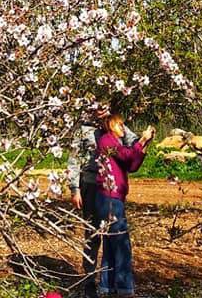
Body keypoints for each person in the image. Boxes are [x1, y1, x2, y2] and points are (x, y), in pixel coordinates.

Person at [67, 105, 138, 298]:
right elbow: (73, 159)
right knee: (92, 232)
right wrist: (74, 188)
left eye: (104, 106)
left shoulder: (114, 126)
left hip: (110, 186)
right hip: (89, 183)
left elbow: (132, 140)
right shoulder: (83, 129)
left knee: (112, 233)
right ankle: (89, 279)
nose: (100, 110)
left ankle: (109, 282)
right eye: (97, 107)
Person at [95, 112, 155, 298]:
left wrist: (144, 145)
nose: (123, 128)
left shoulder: (115, 143)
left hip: (115, 197)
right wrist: (140, 141)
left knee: (112, 243)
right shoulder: (106, 142)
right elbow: (126, 155)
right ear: (111, 125)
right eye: (120, 124)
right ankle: (123, 287)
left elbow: (132, 165)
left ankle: (108, 286)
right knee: (121, 242)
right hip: (109, 197)